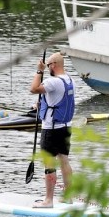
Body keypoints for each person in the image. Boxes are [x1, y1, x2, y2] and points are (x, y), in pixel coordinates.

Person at [29, 52, 75, 208]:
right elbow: (55, 99)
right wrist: (41, 103)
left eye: (48, 65)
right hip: (66, 127)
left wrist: (39, 71)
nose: (47, 67)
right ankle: (68, 196)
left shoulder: (53, 82)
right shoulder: (70, 80)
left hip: (51, 129)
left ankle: (48, 200)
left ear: (54, 65)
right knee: (64, 160)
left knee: (49, 163)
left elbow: (34, 89)